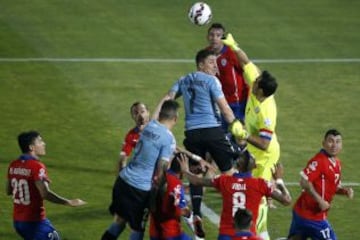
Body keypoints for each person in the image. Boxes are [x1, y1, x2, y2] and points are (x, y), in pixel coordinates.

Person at [154, 48, 241, 239]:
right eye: (211, 62)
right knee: (230, 172)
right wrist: (237, 127)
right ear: (200, 64)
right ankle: (237, 214)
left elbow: (168, 99)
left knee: (195, 172)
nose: (215, 66)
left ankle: (197, 214)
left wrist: (155, 119)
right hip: (212, 130)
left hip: (192, 133)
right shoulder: (211, 81)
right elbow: (225, 109)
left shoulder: (183, 80)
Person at [223, 33, 280, 240]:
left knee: (259, 195)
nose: (252, 81)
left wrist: (244, 134)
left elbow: (265, 144)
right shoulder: (257, 84)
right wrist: (234, 45)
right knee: (250, 192)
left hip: (265, 155)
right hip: (254, 149)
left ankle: (260, 231)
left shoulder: (267, 112)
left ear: (261, 91)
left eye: (256, 83)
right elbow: (246, 62)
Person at [101, 100, 179, 240]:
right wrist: (154, 198)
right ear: (175, 118)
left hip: (123, 181)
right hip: (140, 190)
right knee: (137, 230)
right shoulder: (168, 138)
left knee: (119, 221)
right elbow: (161, 170)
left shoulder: (148, 127)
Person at [178, 149, 292, 240]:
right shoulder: (261, 185)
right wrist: (279, 180)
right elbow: (287, 200)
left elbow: (196, 181)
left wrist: (185, 170)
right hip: (249, 235)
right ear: (255, 167)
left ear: (236, 165)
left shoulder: (224, 181)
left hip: (226, 235)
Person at [6, 131, 86, 240]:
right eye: (39, 141)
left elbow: (9, 190)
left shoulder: (13, 165)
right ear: (31, 147)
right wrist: (68, 202)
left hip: (18, 222)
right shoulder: (37, 166)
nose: (44, 143)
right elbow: (44, 193)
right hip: (35, 222)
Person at [287, 129, 354, 240]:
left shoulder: (337, 163)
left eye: (338, 142)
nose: (334, 145)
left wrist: (344, 191)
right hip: (313, 217)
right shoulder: (319, 161)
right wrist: (320, 201)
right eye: (331, 141)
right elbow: (304, 182)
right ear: (323, 143)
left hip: (303, 212)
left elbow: (332, 187)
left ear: (342, 145)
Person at [206, 23, 249, 127]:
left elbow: (247, 65)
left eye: (218, 35)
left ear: (223, 37)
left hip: (237, 102)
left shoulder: (231, 52)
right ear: (207, 37)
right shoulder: (205, 54)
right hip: (219, 102)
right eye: (212, 35)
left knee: (238, 135)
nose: (214, 38)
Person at [149, 152, 192, 240]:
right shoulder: (176, 184)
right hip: (170, 233)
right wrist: (186, 212)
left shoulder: (162, 177)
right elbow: (171, 210)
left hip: (154, 231)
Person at [118, 101, 150, 172]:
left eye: (142, 112)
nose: (140, 115)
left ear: (148, 112)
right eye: (136, 113)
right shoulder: (131, 135)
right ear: (132, 116)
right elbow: (123, 158)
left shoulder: (158, 129)